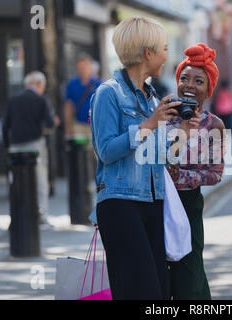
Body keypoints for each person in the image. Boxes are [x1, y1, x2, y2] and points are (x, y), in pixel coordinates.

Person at [90, 16, 182, 300]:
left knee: (159, 293)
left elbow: (159, 157)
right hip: (120, 204)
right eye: (164, 49)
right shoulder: (108, 94)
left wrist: (184, 134)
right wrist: (146, 126)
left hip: (152, 204)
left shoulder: (153, 100)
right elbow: (105, 150)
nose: (167, 55)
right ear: (148, 53)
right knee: (138, 291)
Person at [166, 43, 225, 300]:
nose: (189, 85)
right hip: (157, 203)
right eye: (184, 78)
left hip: (189, 205)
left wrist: (184, 177)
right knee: (160, 275)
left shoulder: (214, 125)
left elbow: (216, 173)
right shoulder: (162, 114)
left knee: (190, 275)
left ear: (208, 89)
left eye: (198, 81)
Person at [2, 71, 58, 227]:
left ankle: (16, 216)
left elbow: (5, 126)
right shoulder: (41, 100)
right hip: (35, 144)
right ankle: (42, 216)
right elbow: (50, 123)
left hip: (14, 147)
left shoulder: (12, 100)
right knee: (40, 181)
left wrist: (8, 147)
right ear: (39, 84)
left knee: (16, 183)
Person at [64, 53, 102, 138]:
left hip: (94, 126)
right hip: (78, 125)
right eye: (80, 67)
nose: (82, 70)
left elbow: (104, 105)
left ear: (90, 67)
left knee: (94, 150)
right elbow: (68, 105)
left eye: (85, 67)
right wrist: (67, 125)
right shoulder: (72, 84)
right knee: (80, 150)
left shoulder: (98, 84)